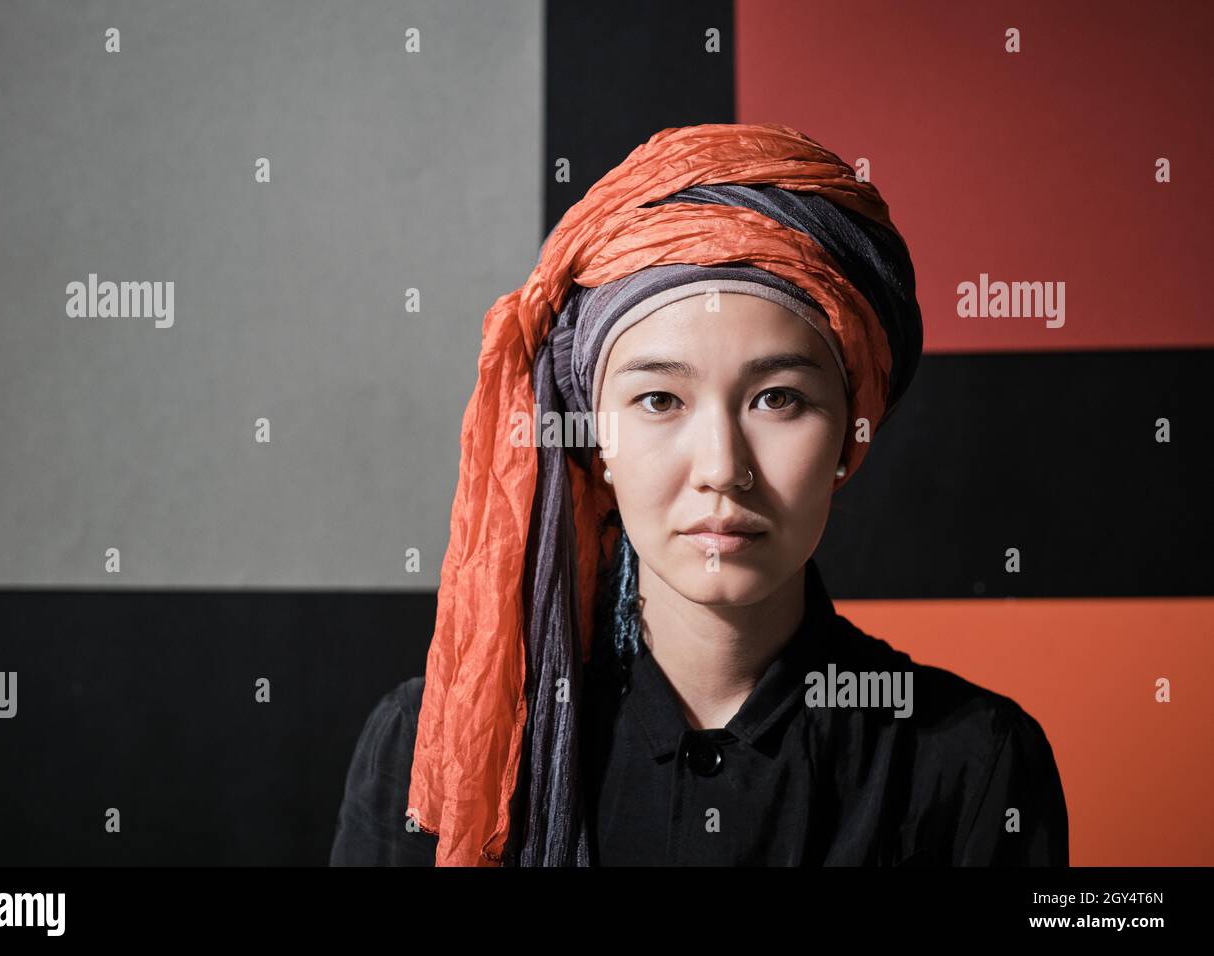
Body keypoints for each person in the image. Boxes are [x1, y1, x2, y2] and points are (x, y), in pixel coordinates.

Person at [329, 123, 1069, 867]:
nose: (721, 467)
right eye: (659, 401)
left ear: (849, 437)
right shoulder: (429, 744)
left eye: (778, 398)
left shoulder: (972, 763)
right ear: (596, 443)